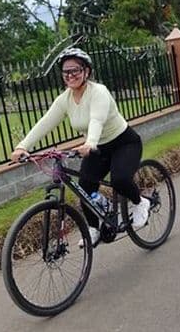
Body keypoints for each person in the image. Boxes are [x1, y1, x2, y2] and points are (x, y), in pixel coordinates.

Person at [11, 47, 150, 246]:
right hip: (97, 149)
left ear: (86, 71)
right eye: (66, 71)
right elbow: (45, 123)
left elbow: (97, 119)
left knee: (120, 179)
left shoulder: (98, 92)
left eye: (75, 70)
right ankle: (94, 228)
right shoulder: (64, 100)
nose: (70, 75)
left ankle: (140, 202)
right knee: (85, 187)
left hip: (123, 142)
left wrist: (90, 142)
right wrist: (22, 146)